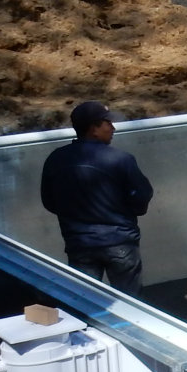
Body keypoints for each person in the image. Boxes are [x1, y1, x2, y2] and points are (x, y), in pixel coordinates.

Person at [40, 101, 154, 295]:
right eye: (107, 123)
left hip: (79, 245)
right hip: (120, 243)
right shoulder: (121, 159)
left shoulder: (55, 159)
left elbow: (49, 201)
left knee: (86, 302)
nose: (113, 128)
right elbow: (141, 199)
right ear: (93, 128)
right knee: (129, 304)